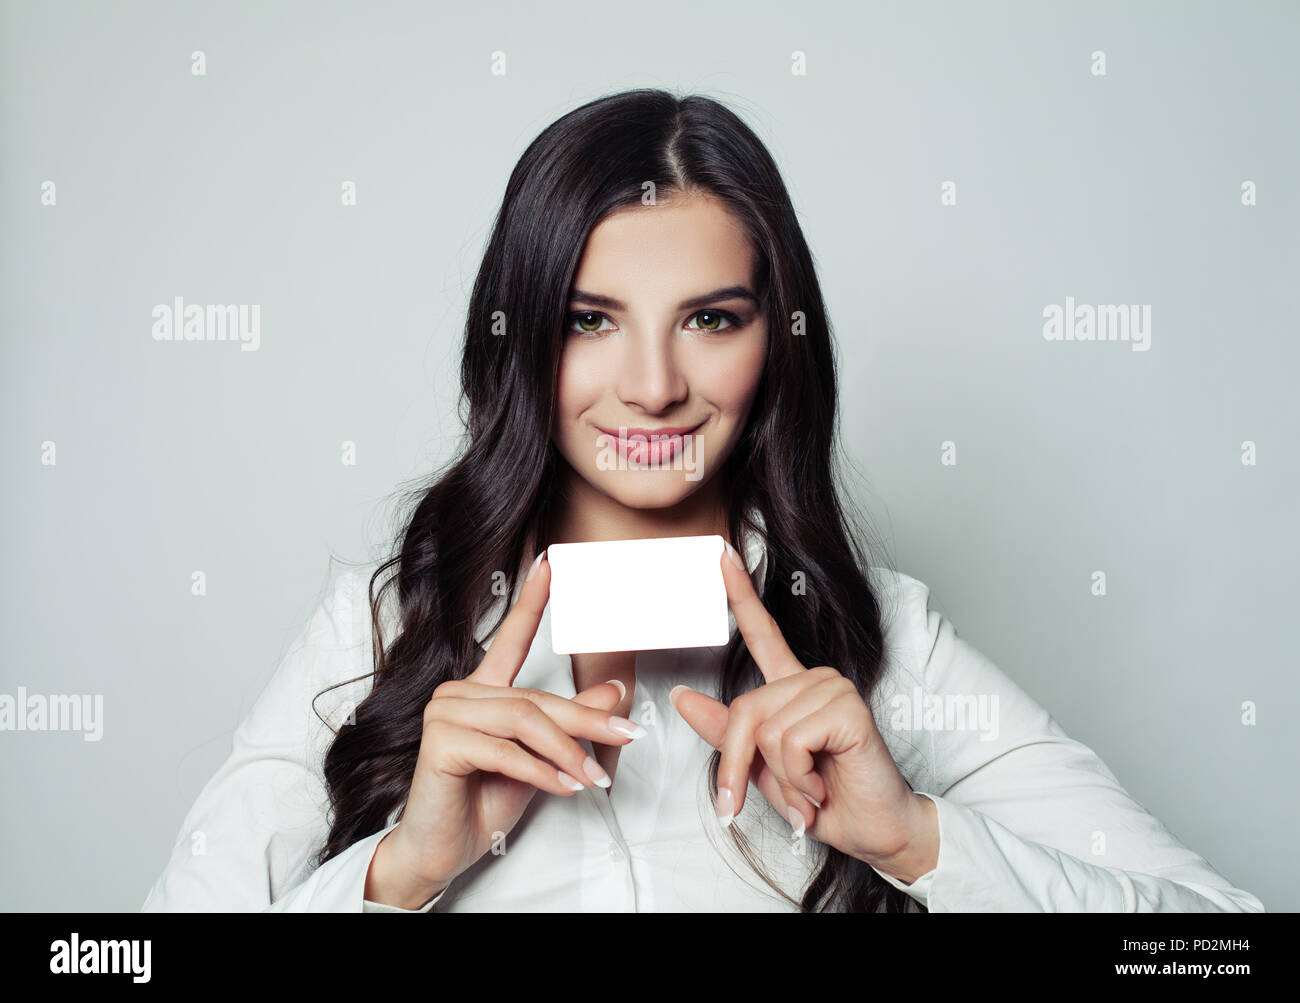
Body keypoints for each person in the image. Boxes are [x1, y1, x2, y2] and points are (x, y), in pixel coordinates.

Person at [141, 89, 1264, 913]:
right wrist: (399, 874)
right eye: (591, 319)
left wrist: (917, 839)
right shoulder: (379, 629)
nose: (651, 383)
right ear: (519, 334)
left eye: (709, 319)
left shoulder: (880, 644)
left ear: (773, 345)